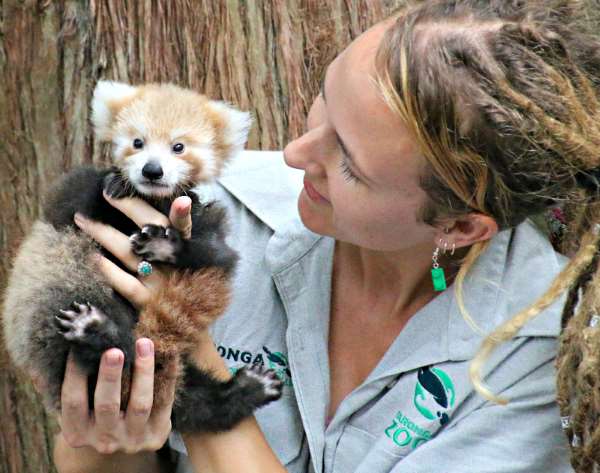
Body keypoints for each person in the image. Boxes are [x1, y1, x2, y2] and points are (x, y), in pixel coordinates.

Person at [51, 0, 600, 471]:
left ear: (457, 227)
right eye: (324, 103)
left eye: (351, 164)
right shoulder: (205, 211)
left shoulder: (536, 356)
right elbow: (96, 453)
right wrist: (108, 432)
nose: (296, 154)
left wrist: (189, 354)